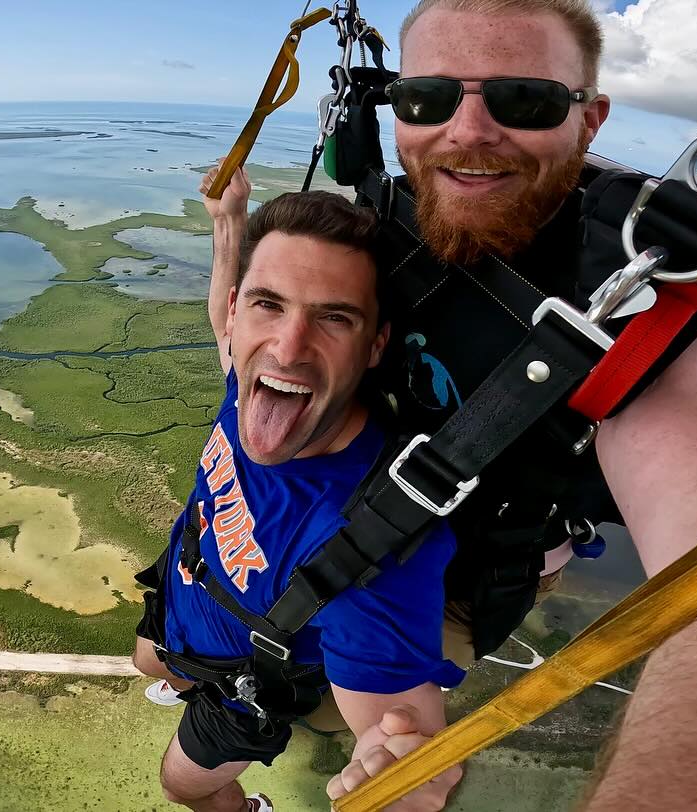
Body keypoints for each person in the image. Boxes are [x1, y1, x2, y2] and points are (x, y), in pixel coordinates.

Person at [209, 0, 697, 808]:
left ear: (590, 118)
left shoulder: (630, 289)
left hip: (458, 577)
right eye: (427, 99)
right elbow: (240, 333)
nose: (466, 130)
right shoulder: (390, 225)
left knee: (319, 708)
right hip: (334, 515)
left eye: (523, 101)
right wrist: (231, 234)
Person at [131, 190, 468, 812]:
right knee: (149, 661)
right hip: (186, 605)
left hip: (245, 688)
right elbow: (221, 321)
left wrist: (406, 778)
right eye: (268, 304)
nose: (287, 348)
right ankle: (177, 674)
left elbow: (399, 725)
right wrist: (230, 219)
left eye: (335, 317)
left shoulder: (369, 538)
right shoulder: (245, 378)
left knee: (182, 785)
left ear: (375, 346)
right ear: (239, 314)